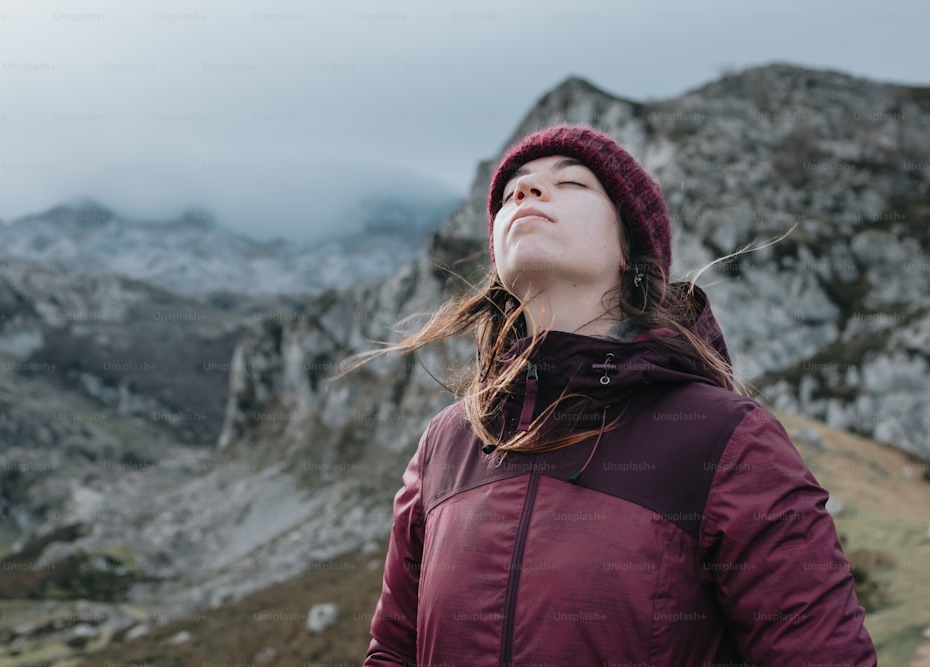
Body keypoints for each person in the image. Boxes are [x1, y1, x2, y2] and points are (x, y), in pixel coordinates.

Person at [359, 124, 876, 665]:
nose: (525, 192)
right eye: (515, 188)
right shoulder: (447, 443)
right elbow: (393, 652)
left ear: (632, 250)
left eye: (572, 183)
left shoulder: (724, 439)